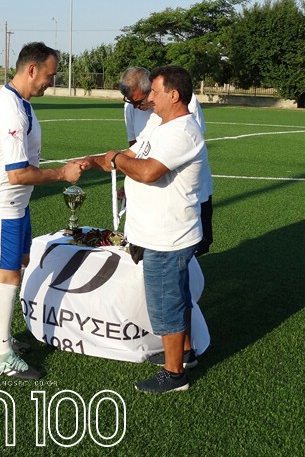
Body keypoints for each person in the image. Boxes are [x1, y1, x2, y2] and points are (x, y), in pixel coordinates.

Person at [79, 65, 205, 394]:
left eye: (155, 92)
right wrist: (93, 161)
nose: (150, 98)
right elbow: (131, 154)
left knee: (166, 304)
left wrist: (116, 161)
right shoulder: (158, 124)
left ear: (173, 95)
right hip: (158, 232)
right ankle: (185, 354)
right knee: (177, 298)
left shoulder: (182, 130)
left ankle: (174, 375)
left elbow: (147, 171)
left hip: (167, 236)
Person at [0, 41, 83, 380]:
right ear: (32, 69)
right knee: (7, 276)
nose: (52, 81)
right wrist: (62, 174)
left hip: (16, 204)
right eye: (50, 74)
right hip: (0, 204)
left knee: (18, 263)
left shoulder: (21, 102)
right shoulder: (12, 110)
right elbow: (17, 174)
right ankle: (3, 355)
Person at [119, 66, 214, 257]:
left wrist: (119, 161)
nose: (136, 106)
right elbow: (135, 148)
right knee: (149, 251)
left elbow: (185, 144)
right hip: (152, 193)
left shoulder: (184, 104)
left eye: (139, 101)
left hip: (189, 192)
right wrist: (131, 180)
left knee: (192, 247)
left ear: (152, 90)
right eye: (130, 101)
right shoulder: (130, 107)